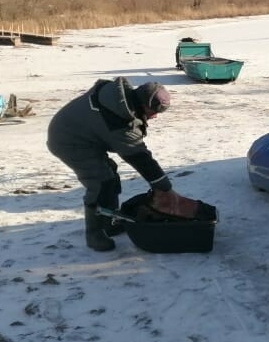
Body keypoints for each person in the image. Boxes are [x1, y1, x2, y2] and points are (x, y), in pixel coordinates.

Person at [46, 77, 195, 251]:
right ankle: (94, 233)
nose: (154, 116)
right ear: (142, 103)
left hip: (83, 134)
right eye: (154, 111)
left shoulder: (119, 100)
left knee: (110, 175)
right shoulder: (117, 119)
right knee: (100, 182)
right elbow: (139, 157)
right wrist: (164, 188)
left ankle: (108, 222)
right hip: (68, 141)